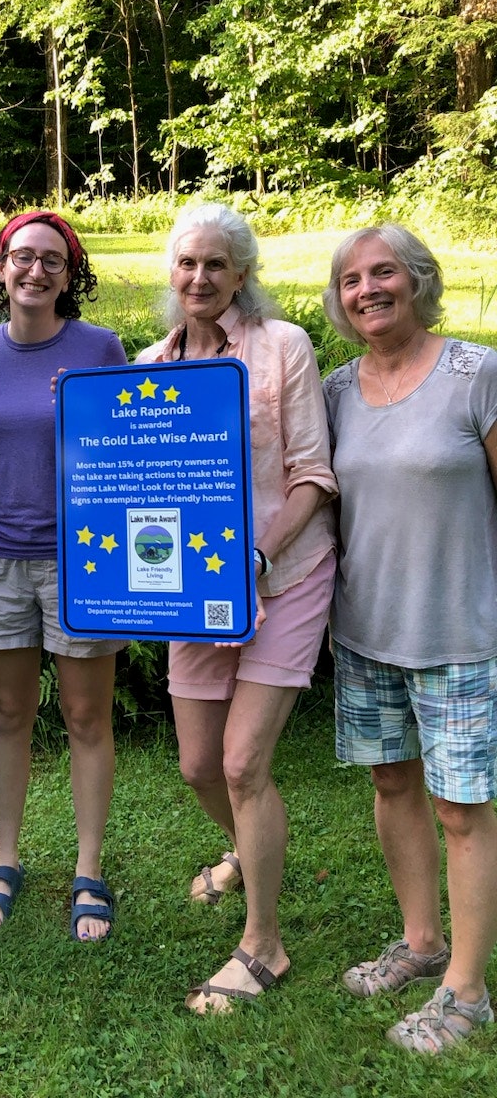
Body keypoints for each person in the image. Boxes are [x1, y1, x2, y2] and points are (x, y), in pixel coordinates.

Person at [136, 202, 336, 1012]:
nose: (200, 277)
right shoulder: (152, 362)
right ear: (172, 274)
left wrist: (257, 557)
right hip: (194, 593)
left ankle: (263, 946)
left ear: (242, 274)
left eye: (216, 265)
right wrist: (80, 410)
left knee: (244, 762)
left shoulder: (282, 348)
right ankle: (241, 851)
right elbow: (131, 483)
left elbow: (313, 478)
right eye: (187, 264)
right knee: (195, 765)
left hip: (281, 576)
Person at [322, 224, 497, 1052]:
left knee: (461, 811)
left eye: (382, 272)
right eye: (351, 280)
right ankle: (422, 944)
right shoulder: (334, 391)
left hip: (461, 633)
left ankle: (467, 991)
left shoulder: (477, 374)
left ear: (418, 279)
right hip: (365, 632)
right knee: (393, 785)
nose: (367, 290)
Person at [0, 211, 128, 941]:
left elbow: (135, 455)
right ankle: (5, 859)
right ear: (0, 267)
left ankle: (89, 870)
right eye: (22, 257)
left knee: (87, 718)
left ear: (71, 274)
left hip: (82, 563)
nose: (35, 271)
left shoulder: (100, 348)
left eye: (52, 262)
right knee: (9, 716)